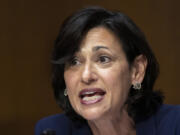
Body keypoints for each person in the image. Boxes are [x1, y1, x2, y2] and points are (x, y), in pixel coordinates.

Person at [35, 6, 180, 135]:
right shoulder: (53, 130)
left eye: (103, 59)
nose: (86, 76)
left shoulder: (175, 125)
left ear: (136, 71)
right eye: (74, 62)